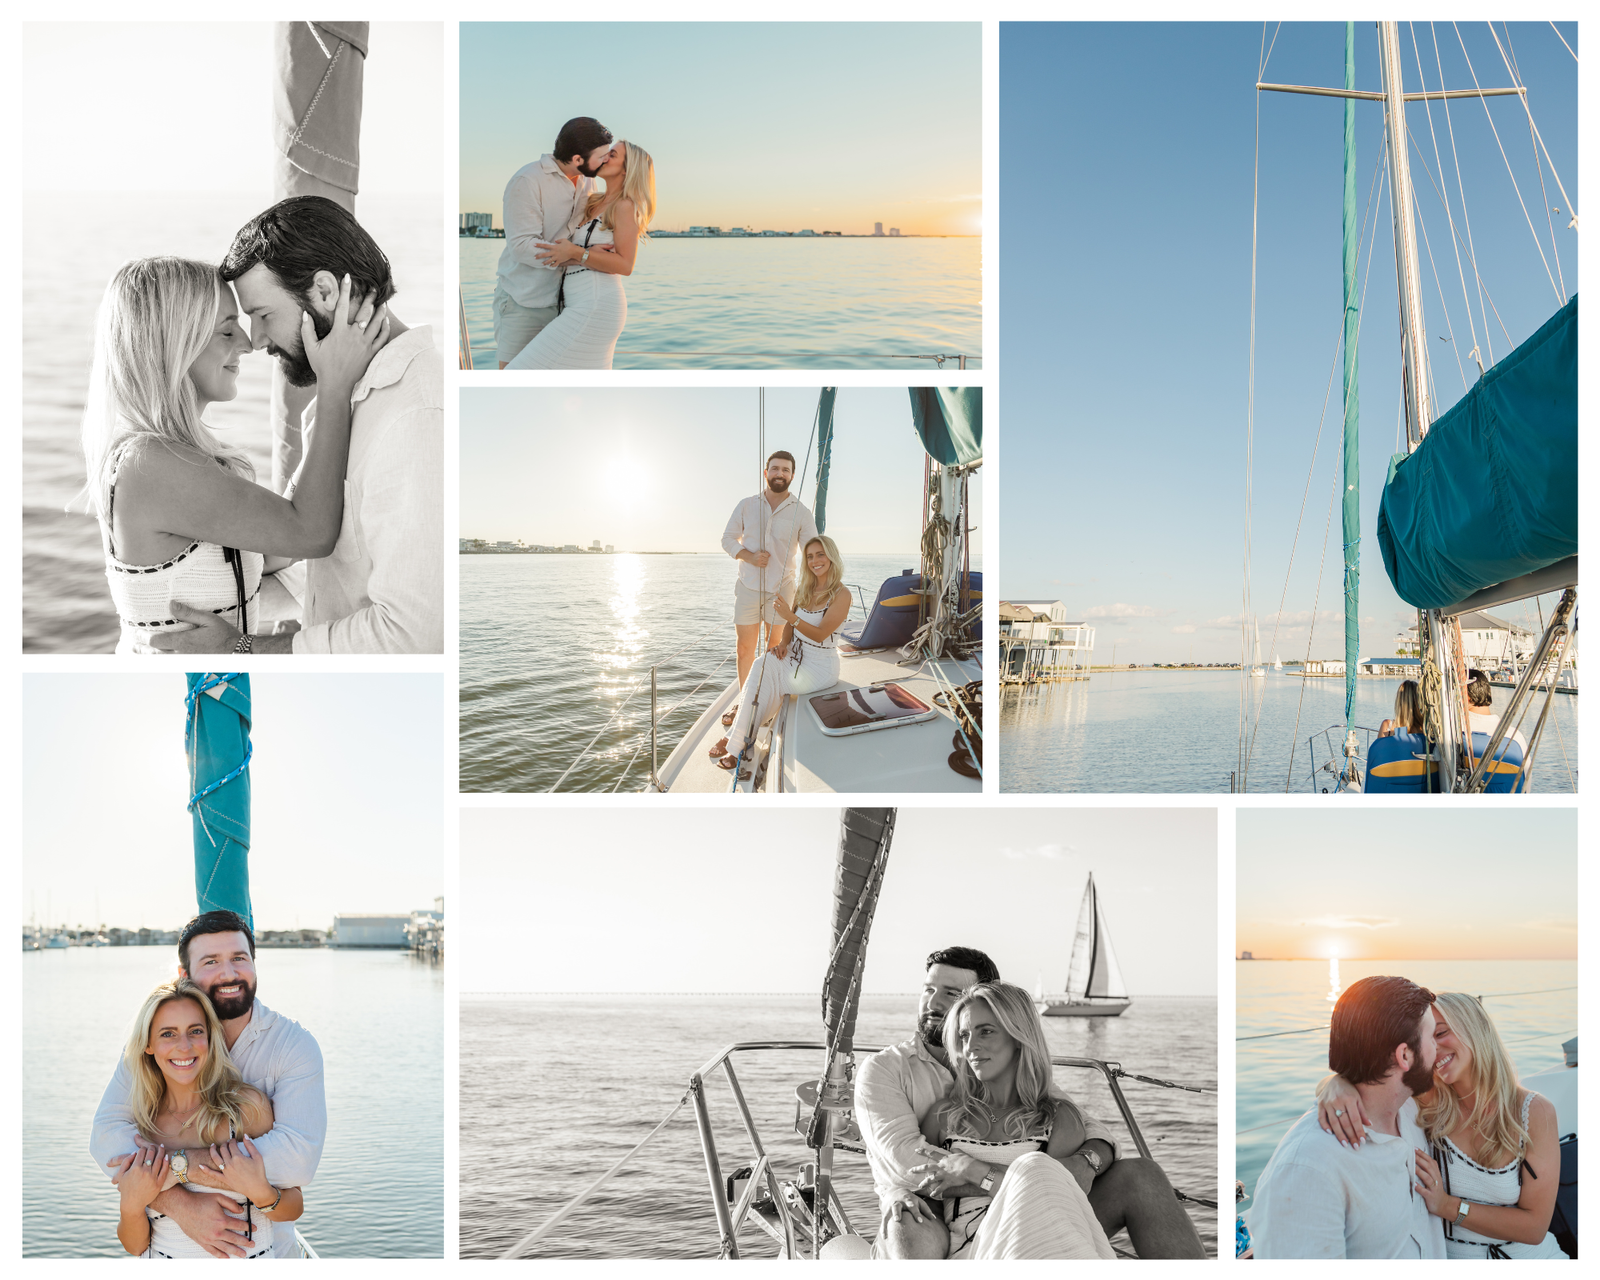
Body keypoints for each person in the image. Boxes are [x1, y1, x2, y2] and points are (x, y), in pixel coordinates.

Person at [150, 196, 444, 654]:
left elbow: (413, 635)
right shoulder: (349, 394)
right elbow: (328, 557)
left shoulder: (414, 417)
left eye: (263, 315)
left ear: (325, 292)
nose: (256, 341)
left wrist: (242, 648)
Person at [80, 259, 388, 655]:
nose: (246, 343)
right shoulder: (152, 464)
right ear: (174, 345)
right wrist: (335, 385)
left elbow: (273, 546)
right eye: (227, 330)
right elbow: (310, 533)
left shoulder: (165, 457)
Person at [854, 947, 1204, 1259]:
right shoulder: (886, 1071)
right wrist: (1010, 1176)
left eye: (951, 993)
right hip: (935, 1215)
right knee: (907, 1219)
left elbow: (1090, 1130)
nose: (933, 1003)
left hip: (1037, 1220)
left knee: (1142, 1176)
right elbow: (911, 1165)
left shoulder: (1032, 1091)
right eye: (928, 989)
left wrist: (1085, 1161)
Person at [93, 911, 327, 1259]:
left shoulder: (293, 1046)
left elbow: (297, 1161)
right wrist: (178, 1203)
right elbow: (106, 1138)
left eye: (239, 958)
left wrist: (179, 1166)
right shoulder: (151, 1050)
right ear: (184, 976)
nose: (229, 973)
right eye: (211, 961)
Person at [1315, 991, 1565, 1258]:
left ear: (1473, 1028)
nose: (1433, 1050)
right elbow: (1376, 1084)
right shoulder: (1428, 1100)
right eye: (1426, 1039)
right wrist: (1335, 1083)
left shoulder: (1533, 1112)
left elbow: (1535, 1228)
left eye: (1441, 1033)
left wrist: (1447, 1206)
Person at [909, 981, 1117, 1259]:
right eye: (964, 1035)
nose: (971, 1046)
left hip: (1040, 1249)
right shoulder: (943, 1117)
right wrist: (898, 1195)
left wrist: (974, 1171)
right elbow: (925, 1194)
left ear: (1019, 1037)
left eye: (986, 1031)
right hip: (973, 1255)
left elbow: (1055, 1204)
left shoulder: (1058, 1119)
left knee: (1038, 1168)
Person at [1247, 975, 1446, 1258]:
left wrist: (1334, 1081)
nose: (1437, 1047)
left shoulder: (1410, 1108)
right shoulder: (1308, 1171)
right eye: (1432, 1036)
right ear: (1404, 1055)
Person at [112, 979, 304, 1258]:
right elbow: (135, 1246)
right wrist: (130, 1206)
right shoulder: (142, 1125)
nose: (184, 1046)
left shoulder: (247, 1109)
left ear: (210, 1037)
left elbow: (294, 1206)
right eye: (168, 1034)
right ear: (148, 1045)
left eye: (195, 1031)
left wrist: (262, 1193)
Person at [503, 140, 655, 370]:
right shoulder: (593, 200)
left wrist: (578, 252)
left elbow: (625, 265)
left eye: (612, 155)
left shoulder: (625, 206)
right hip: (574, 302)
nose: (604, 157)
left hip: (596, 304)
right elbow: (573, 253)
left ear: (627, 169)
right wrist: (580, 255)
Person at [710, 535, 850, 774]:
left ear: (831, 557)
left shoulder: (841, 594)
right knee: (762, 663)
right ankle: (740, 740)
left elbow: (820, 634)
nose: (815, 561)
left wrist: (790, 616)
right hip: (795, 656)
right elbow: (789, 627)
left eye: (820, 554)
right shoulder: (806, 588)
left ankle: (736, 742)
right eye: (809, 556)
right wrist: (784, 643)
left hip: (819, 668)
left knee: (767, 680)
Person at [492, 117, 613, 368]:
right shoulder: (527, 180)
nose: (606, 160)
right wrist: (579, 256)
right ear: (578, 159)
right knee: (512, 379)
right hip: (525, 301)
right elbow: (522, 246)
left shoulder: (587, 179)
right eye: (601, 156)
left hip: (568, 301)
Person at [719, 451, 818, 730]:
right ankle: (744, 701)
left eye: (785, 470)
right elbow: (727, 539)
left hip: (782, 589)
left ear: (792, 475)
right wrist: (748, 556)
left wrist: (820, 585)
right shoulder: (747, 505)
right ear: (766, 473)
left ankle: (771, 703)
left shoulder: (801, 512)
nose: (779, 474)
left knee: (776, 649)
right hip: (748, 587)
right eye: (775, 469)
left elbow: (812, 549)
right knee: (744, 649)